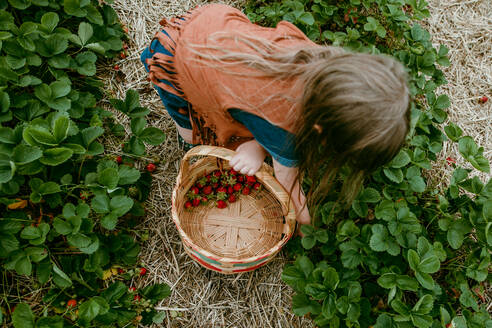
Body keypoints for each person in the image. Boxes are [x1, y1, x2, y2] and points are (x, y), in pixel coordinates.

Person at [140, 3, 410, 227]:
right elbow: (289, 188)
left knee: (250, 118)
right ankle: (200, 139)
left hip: (215, 26)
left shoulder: (317, 59)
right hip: (176, 59)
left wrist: (258, 146)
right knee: (194, 133)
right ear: (319, 129)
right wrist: (307, 226)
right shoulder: (287, 132)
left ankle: (254, 141)